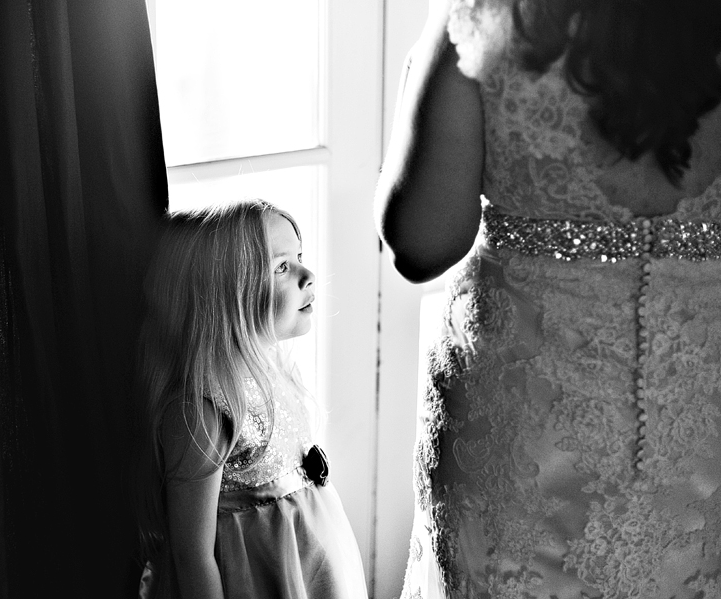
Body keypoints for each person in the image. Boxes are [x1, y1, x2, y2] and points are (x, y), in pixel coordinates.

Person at [375, 0, 721, 596]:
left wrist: (420, 71)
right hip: (701, 422)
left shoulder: (490, 15)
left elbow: (422, 243)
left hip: (524, 435)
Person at [136, 199, 368, 599]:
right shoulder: (204, 406)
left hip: (306, 569)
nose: (308, 274)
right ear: (226, 294)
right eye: (281, 267)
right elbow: (193, 554)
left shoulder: (273, 367)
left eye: (298, 257)